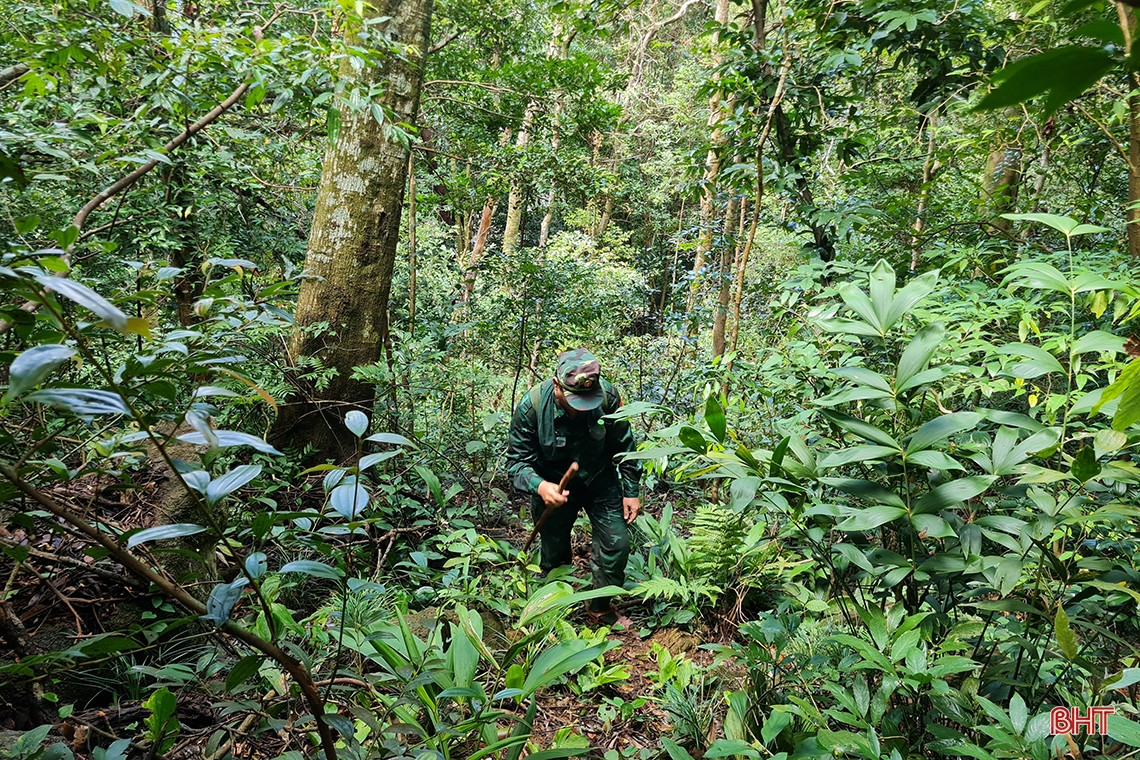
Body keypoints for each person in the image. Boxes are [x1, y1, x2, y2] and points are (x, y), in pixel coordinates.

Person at [505, 348, 642, 625]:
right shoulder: (532, 407)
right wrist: (540, 486)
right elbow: (516, 463)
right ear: (557, 385)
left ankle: (599, 607)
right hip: (553, 486)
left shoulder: (608, 397)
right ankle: (556, 609)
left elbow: (625, 445)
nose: (582, 409)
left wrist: (631, 491)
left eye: (588, 401)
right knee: (554, 554)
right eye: (575, 401)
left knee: (617, 544)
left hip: (600, 480)